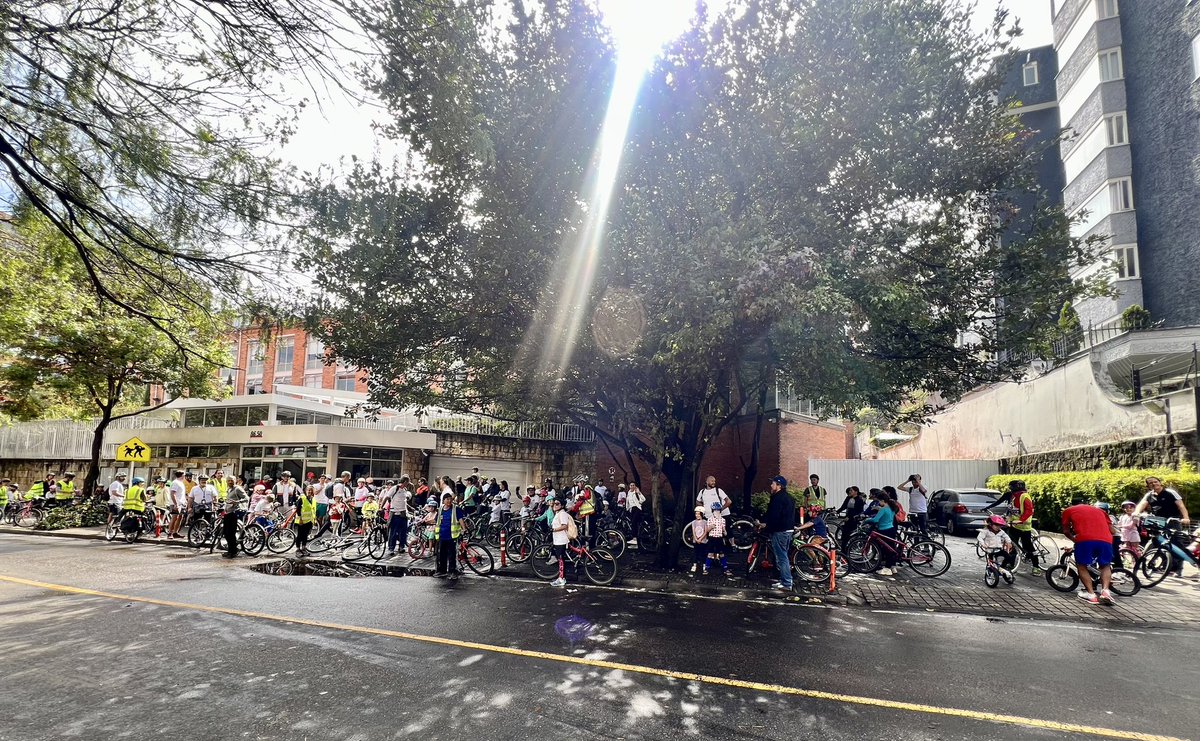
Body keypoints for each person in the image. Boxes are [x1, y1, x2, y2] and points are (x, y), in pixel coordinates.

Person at [1063, 497, 1117, 604]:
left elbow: (1066, 531)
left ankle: (1091, 594)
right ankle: (1105, 591)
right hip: (1106, 540)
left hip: (1084, 539)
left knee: (1082, 566)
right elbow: (1112, 530)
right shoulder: (1101, 511)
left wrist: (1075, 539)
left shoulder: (1068, 511)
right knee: (1105, 566)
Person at [1003, 480, 1042, 575]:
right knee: (1012, 545)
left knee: (1029, 547)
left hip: (1024, 527)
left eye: (1011, 487)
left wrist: (1021, 520)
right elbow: (1012, 509)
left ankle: (1036, 567)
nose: (1010, 489)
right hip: (1014, 526)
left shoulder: (1024, 496)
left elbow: (1029, 511)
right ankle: (1010, 563)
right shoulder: (1013, 496)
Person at [763, 476, 796, 590]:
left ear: (779, 486)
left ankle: (786, 582)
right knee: (783, 555)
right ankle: (784, 580)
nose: (771, 486)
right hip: (788, 530)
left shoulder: (777, 498)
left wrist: (767, 528)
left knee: (782, 557)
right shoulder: (789, 498)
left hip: (780, 531)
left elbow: (774, 516)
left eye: (773, 484)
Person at [434, 492, 466, 580]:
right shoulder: (440, 509)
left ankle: (452, 571)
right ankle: (442, 571)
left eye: (450, 499)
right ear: (443, 500)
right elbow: (436, 521)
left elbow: (460, 519)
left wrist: (464, 528)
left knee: (452, 555)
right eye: (447, 499)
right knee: (442, 554)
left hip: (452, 536)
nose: (449, 501)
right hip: (442, 535)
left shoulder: (456, 509)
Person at [867, 491, 900, 575]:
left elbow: (875, 520)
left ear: (882, 500)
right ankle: (893, 566)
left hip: (883, 531)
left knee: (886, 549)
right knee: (891, 548)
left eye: (879, 501)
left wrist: (867, 520)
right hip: (891, 529)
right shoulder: (892, 508)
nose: (879, 503)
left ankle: (887, 568)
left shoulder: (883, 509)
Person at [696, 475, 732, 541]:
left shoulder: (718, 490)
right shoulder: (702, 492)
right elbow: (697, 501)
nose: (714, 482)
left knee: (728, 530)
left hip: (723, 514)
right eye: (712, 481)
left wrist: (720, 509)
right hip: (709, 516)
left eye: (714, 481)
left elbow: (729, 501)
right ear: (707, 481)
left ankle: (733, 545)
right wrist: (703, 507)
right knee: (713, 532)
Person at [222, 477, 249, 558]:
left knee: (231, 532)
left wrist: (237, 502)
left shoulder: (238, 489)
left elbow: (246, 498)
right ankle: (230, 550)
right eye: (228, 480)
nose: (230, 482)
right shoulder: (229, 489)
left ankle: (233, 551)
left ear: (235, 481)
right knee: (226, 532)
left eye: (232, 480)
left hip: (234, 512)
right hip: (228, 512)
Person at [704, 502, 731, 576]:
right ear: (712, 511)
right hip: (712, 538)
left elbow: (724, 531)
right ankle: (706, 568)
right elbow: (707, 530)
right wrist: (710, 527)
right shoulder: (710, 519)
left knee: (722, 553)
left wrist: (725, 532)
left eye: (718, 510)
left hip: (719, 538)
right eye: (715, 510)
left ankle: (725, 568)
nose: (717, 512)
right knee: (710, 553)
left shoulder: (722, 520)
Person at [549, 498, 571, 587]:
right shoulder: (558, 513)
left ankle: (561, 579)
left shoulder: (562, 514)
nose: (554, 505)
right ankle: (561, 577)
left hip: (561, 540)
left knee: (561, 560)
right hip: (558, 540)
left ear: (562, 506)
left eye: (557, 504)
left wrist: (554, 529)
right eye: (554, 503)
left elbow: (564, 526)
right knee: (560, 559)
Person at [385, 479, 409, 558]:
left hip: (403, 513)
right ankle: (391, 548)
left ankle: (401, 546)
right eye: (407, 482)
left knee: (403, 531)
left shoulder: (404, 490)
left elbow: (404, 502)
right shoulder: (395, 488)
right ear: (405, 482)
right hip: (395, 513)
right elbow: (387, 497)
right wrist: (381, 507)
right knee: (393, 532)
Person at [295, 484, 317, 557]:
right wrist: (300, 519)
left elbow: (313, 510)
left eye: (311, 490)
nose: (310, 491)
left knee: (306, 535)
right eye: (308, 490)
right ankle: (298, 549)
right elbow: (298, 510)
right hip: (302, 520)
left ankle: (304, 547)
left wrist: (314, 519)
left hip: (309, 521)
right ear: (306, 491)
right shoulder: (302, 498)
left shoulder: (313, 499)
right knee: (300, 535)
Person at [167, 470, 188, 539]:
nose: (185, 476)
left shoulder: (181, 483)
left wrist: (185, 501)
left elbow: (181, 494)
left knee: (180, 518)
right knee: (174, 518)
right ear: (182, 475)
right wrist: (176, 504)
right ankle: (170, 532)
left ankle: (175, 532)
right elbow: (173, 494)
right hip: (175, 503)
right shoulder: (175, 482)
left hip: (181, 503)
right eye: (184, 475)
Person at [689, 506, 709, 575]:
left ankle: (704, 565)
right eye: (696, 514)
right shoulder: (693, 522)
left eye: (698, 514)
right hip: (696, 541)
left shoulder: (705, 522)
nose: (697, 515)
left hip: (703, 541)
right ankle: (694, 565)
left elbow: (705, 531)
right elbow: (693, 531)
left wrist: (700, 539)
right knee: (695, 553)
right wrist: (696, 539)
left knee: (703, 553)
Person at [626, 482, 646, 547]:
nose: (632, 486)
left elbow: (643, 499)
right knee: (633, 524)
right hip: (631, 509)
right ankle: (635, 544)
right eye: (631, 485)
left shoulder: (637, 492)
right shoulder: (628, 493)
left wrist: (639, 493)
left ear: (635, 486)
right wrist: (627, 509)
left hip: (637, 509)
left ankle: (634, 539)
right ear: (629, 486)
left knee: (634, 522)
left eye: (633, 485)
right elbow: (627, 502)